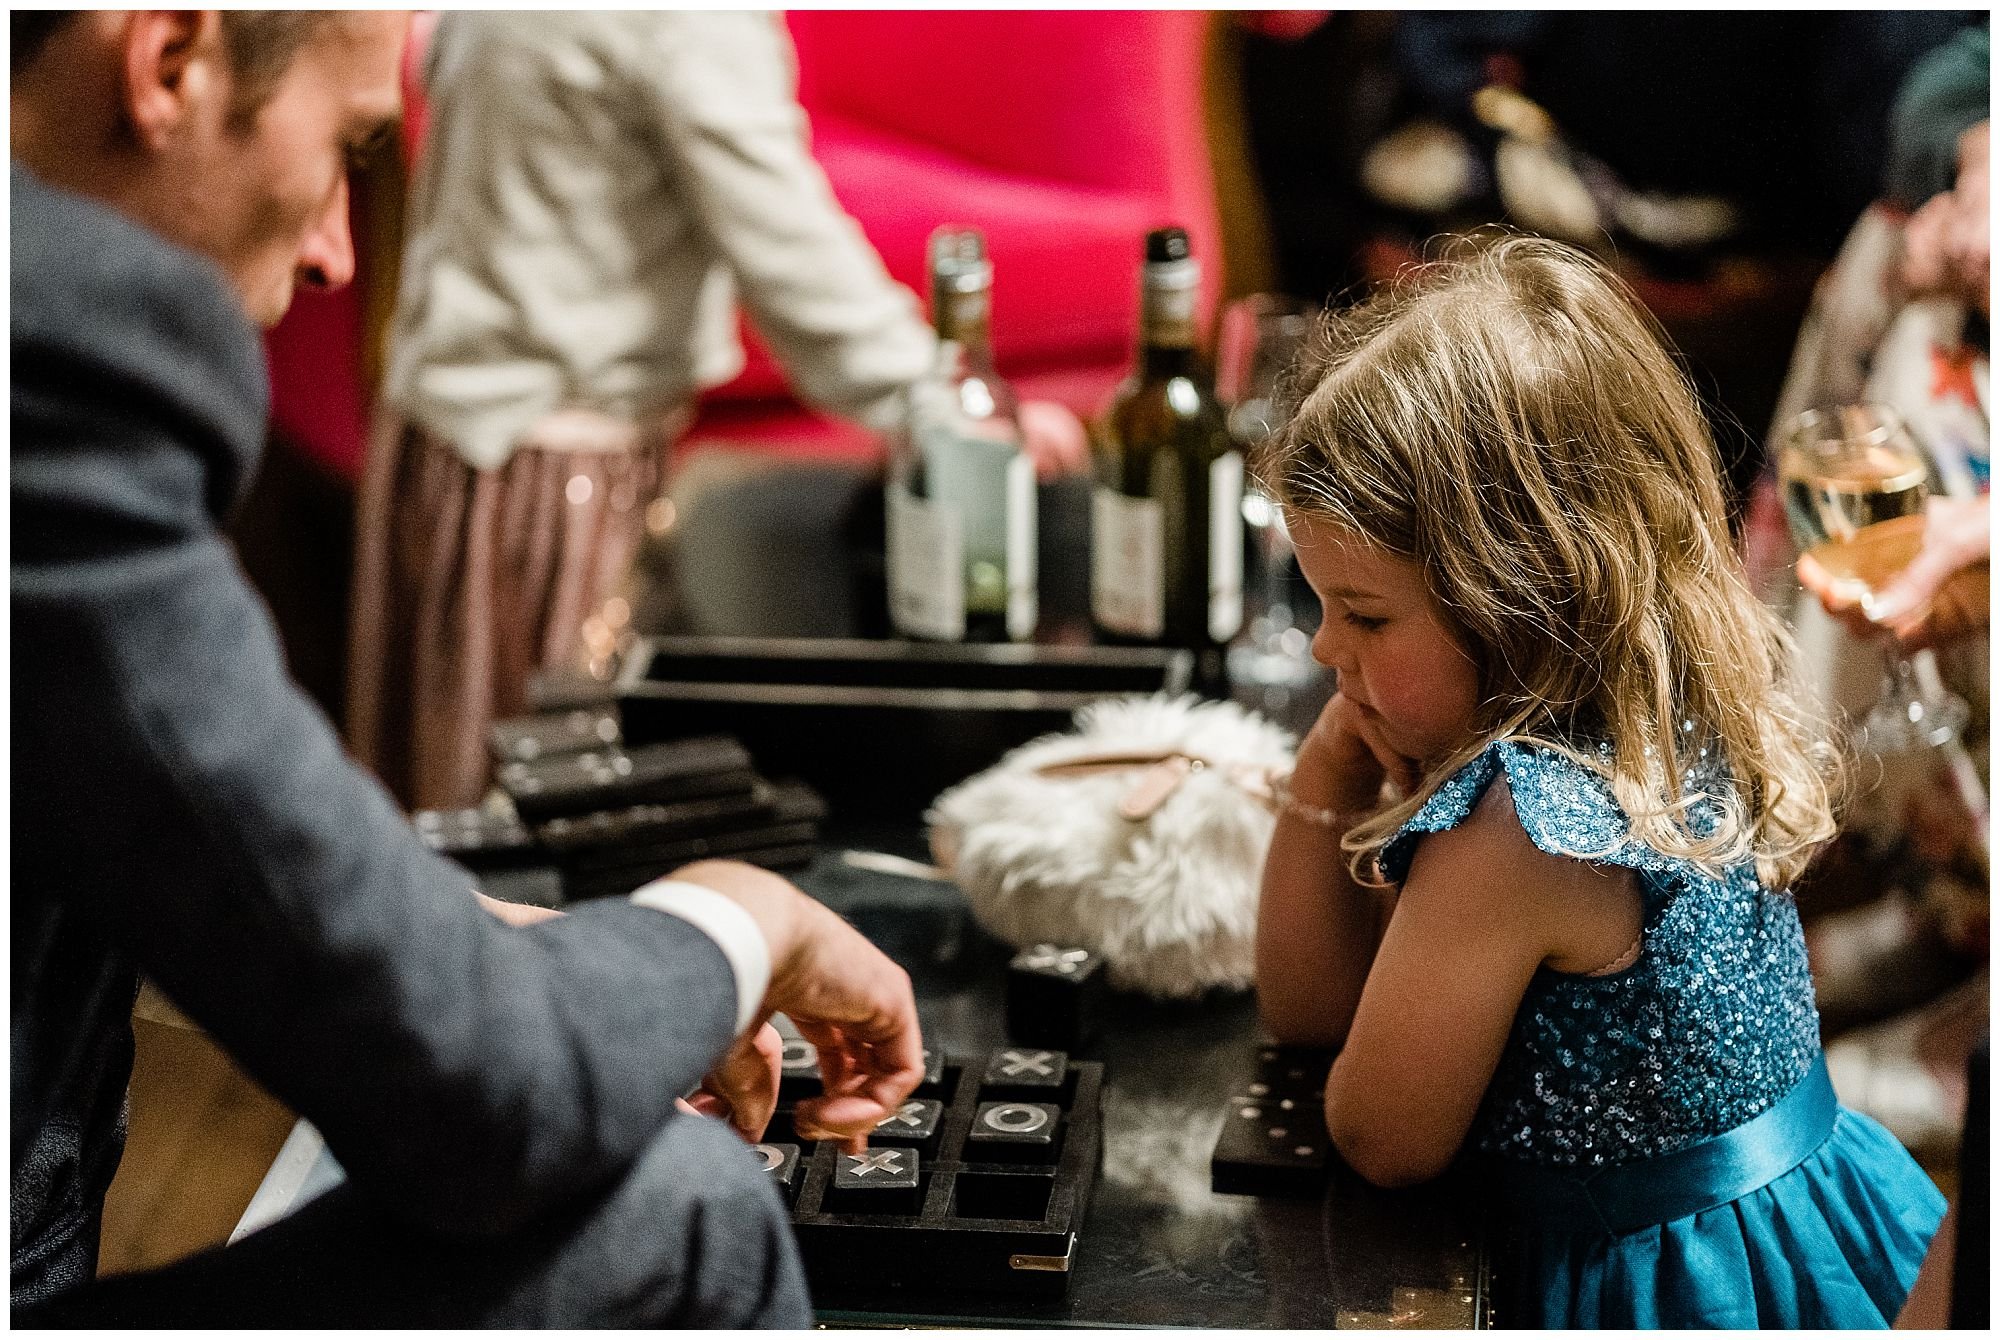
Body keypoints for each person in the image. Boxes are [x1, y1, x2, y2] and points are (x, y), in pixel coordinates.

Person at [11, 11, 922, 1325]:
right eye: (348, 150)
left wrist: (457, 946)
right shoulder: (51, 359)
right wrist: (744, 915)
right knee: (685, 1209)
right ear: (169, 63)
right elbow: (487, 1100)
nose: (336, 252)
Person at [1251, 235, 1944, 1327]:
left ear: (1520, 597)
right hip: (1808, 1223)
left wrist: (1333, 768)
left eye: (1364, 613)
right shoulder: (1674, 702)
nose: (1322, 650)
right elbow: (1307, 1013)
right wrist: (1335, 750)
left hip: (1649, 1282)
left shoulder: (1522, 832)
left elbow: (1377, 1135)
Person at [346, 10, 1091, 813]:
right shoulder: (690, 22)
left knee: (432, 796)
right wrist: (941, 403)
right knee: (541, 811)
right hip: (553, 473)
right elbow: (787, 246)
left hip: (437, 434)